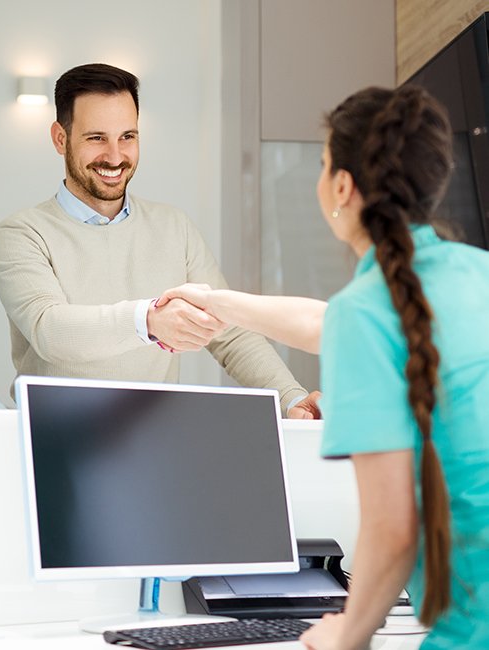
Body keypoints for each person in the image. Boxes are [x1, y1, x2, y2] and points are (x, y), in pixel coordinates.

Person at [159, 85, 489, 648]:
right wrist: (219, 302)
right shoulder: (473, 272)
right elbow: (328, 322)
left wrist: (347, 633)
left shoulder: (368, 314)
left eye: (321, 163)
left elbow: (391, 529)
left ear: (341, 186)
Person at [0, 62, 320, 418]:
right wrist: (147, 320)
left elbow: (230, 333)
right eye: (97, 137)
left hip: (153, 440)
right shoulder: (22, 233)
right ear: (60, 138)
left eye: (127, 136)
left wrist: (290, 398)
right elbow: (50, 330)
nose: (115, 157)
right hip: (53, 441)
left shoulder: (174, 227)